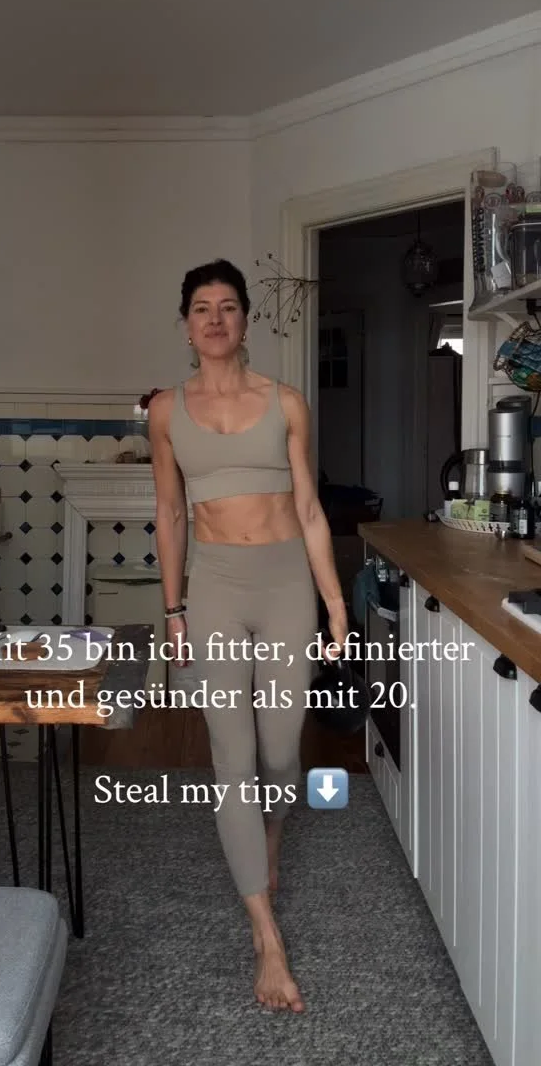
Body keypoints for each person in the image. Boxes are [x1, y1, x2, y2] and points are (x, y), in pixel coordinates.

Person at [148, 258, 347, 1013]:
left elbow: (310, 510)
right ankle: (267, 936)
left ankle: (271, 837)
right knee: (233, 759)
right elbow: (169, 514)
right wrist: (174, 612)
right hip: (217, 592)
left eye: (228, 306)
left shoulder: (286, 402)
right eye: (202, 307)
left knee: (281, 753)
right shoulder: (166, 410)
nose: (215, 318)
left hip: (287, 583)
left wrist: (334, 604)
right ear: (186, 324)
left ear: (244, 321)